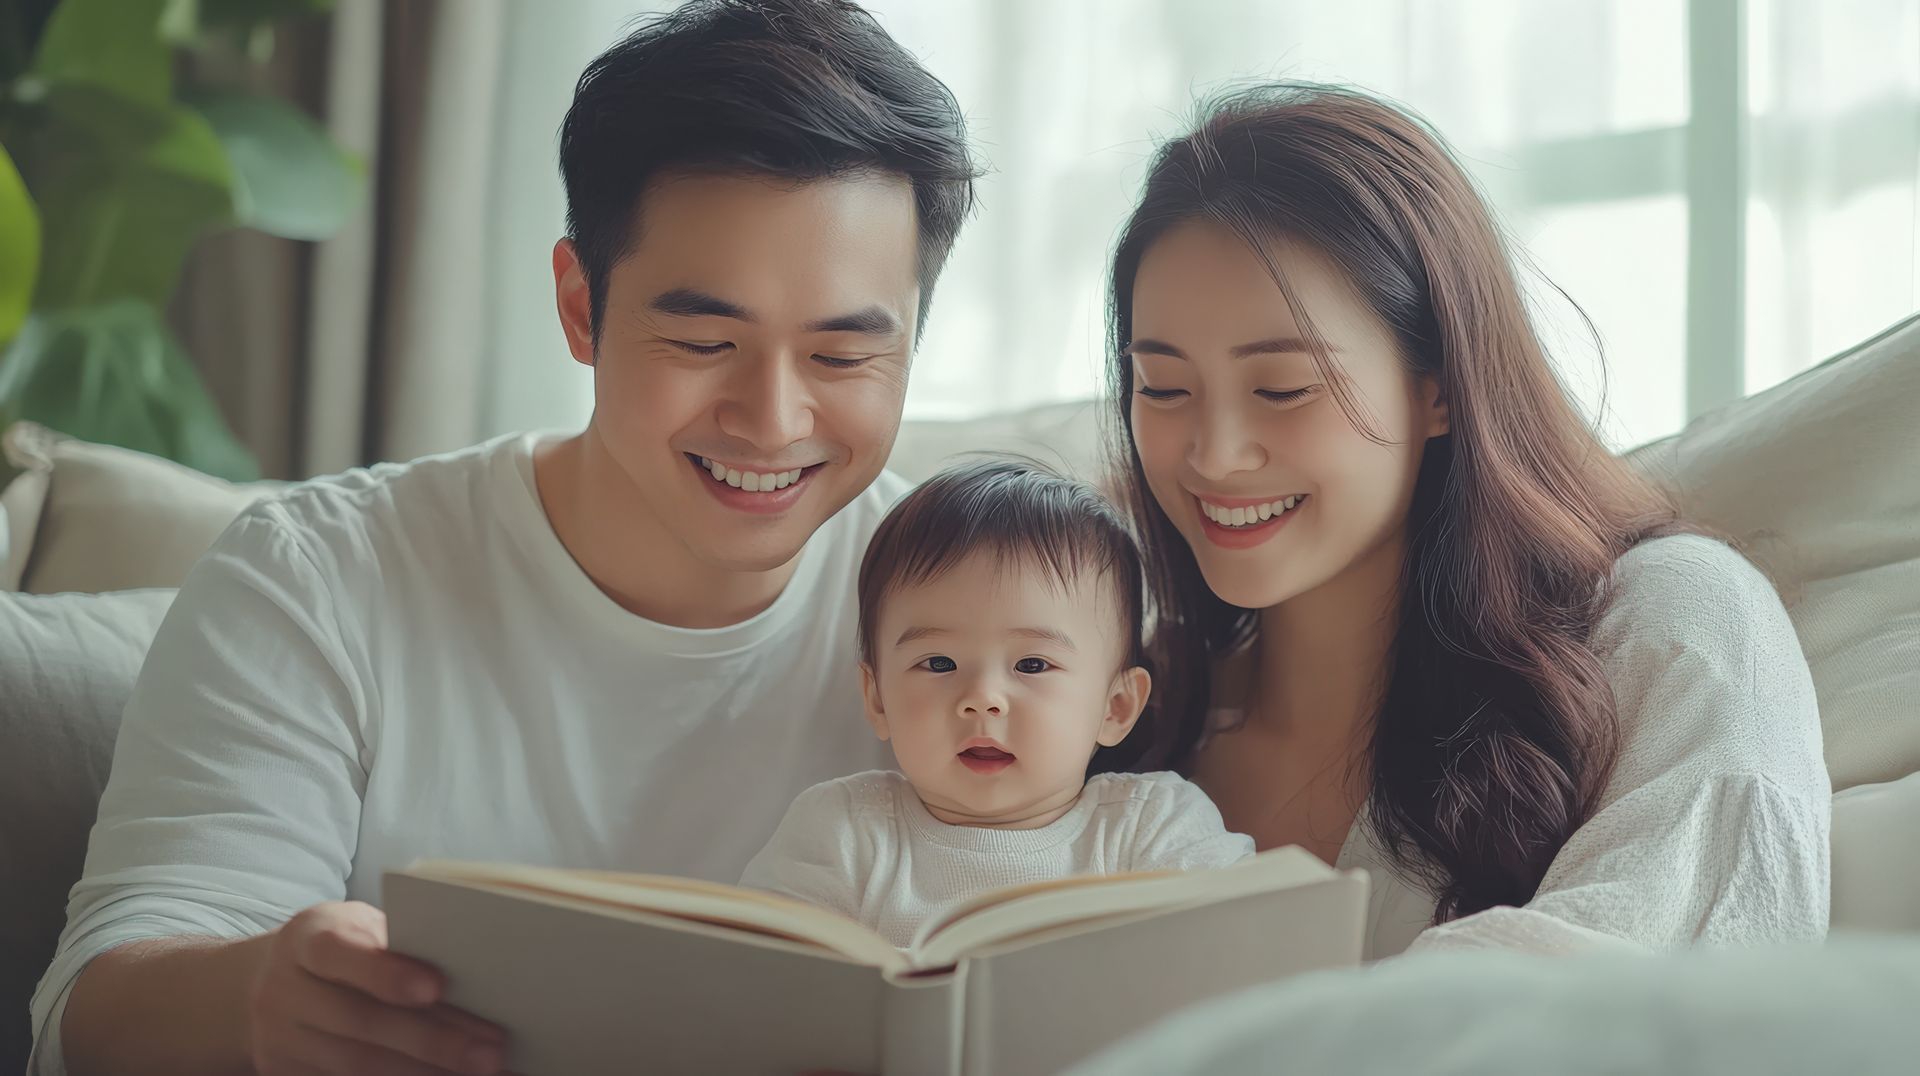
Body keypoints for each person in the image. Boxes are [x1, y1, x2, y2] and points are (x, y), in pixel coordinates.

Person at [31, 2, 978, 1073]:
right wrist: (255, 997)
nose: (771, 419)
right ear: (580, 306)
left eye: (843, 357)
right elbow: (88, 1013)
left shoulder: (994, 598)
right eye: (704, 339)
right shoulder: (319, 578)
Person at [1099, 83, 1829, 959]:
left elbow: (1677, 994)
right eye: (1164, 388)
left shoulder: (1678, 620)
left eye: (1282, 388)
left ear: (1439, 385)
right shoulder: (1124, 711)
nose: (1214, 456)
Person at [740, 460, 1253, 947]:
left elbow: (1252, 957)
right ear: (877, 698)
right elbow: (758, 982)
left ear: (1115, 707)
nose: (981, 700)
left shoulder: (1152, 828)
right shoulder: (843, 831)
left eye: (1031, 665)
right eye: (939, 663)